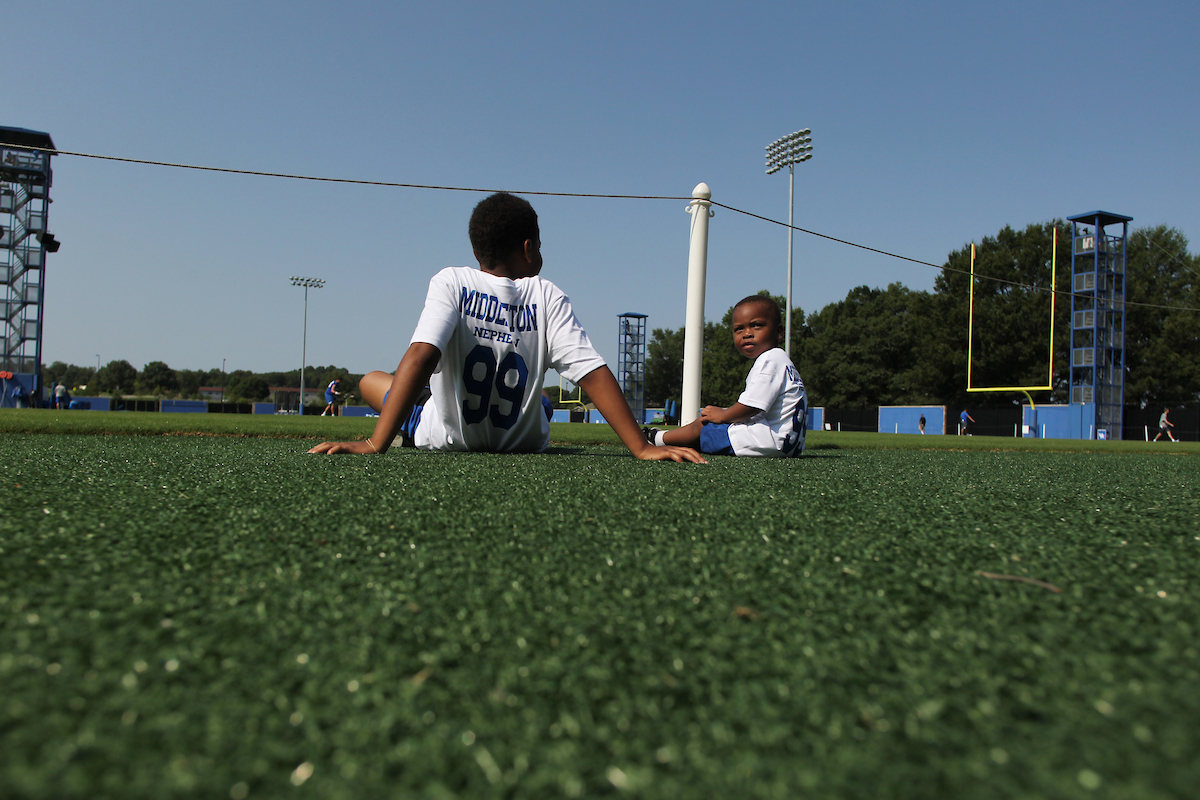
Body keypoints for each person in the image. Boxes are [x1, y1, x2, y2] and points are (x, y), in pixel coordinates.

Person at [308, 192, 704, 463]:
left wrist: (376, 442)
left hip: (449, 438)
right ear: (529, 248)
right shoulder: (547, 294)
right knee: (541, 403)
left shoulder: (451, 280)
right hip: (523, 441)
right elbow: (592, 373)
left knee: (370, 380)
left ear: (477, 249)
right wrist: (638, 446)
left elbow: (422, 354)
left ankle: (408, 420)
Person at [641, 295, 806, 458]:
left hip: (767, 441)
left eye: (757, 325)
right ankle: (667, 438)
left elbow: (752, 406)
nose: (747, 333)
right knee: (713, 428)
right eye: (739, 328)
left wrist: (723, 415)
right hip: (789, 446)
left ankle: (655, 438)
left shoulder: (770, 359)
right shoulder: (784, 362)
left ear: (778, 332)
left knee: (705, 424)